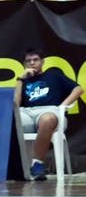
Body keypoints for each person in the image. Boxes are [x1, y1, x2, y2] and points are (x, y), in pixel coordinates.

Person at [15, 48, 83, 180]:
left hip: (50, 111)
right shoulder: (23, 81)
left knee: (47, 120)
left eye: (35, 60)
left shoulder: (53, 75)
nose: (32, 63)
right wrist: (20, 80)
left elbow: (78, 89)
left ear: (42, 62)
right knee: (10, 120)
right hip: (27, 113)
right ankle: (11, 167)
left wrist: (62, 107)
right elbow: (16, 104)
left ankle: (37, 165)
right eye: (28, 61)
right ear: (24, 65)